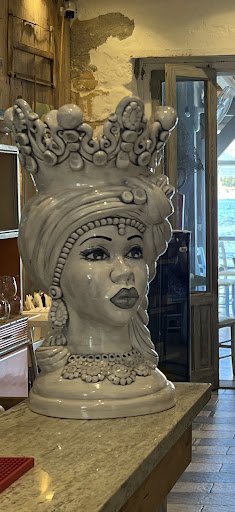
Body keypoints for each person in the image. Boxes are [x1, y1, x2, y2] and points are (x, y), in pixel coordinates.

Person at [6, 96, 178, 418]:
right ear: (52, 272)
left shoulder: (148, 376)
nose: (124, 272)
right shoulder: (60, 383)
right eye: (97, 253)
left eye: (135, 252)